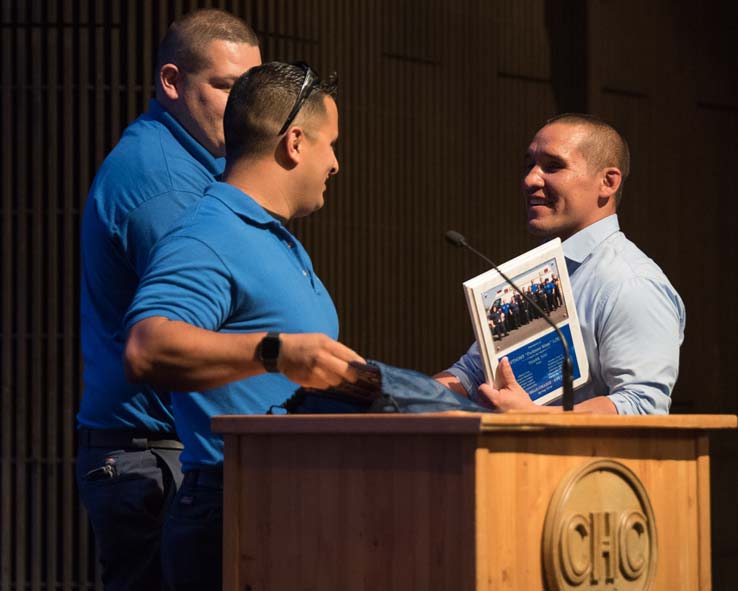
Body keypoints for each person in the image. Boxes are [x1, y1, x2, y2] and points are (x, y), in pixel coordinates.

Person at [123, 61, 363, 591]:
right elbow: (147, 345)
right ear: (295, 143)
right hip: (233, 509)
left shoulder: (277, 238)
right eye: (331, 145)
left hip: (284, 504)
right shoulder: (207, 236)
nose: (337, 164)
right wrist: (276, 351)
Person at [75, 10, 261, 591]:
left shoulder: (199, 164)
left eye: (250, 90)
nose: (242, 108)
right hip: (154, 457)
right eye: (225, 87)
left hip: (161, 448)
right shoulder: (164, 184)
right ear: (172, 82)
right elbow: (196, 326)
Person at [436, 114, 685, 414]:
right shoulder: (532, 276)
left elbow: (642, 406)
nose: (530, 180)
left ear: (607, 182)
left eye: (553, 166)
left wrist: (532, 416)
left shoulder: (631, 283)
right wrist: (387, 388)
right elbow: (472, 375)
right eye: (529, 165)